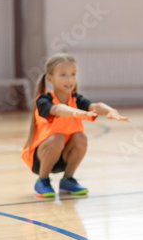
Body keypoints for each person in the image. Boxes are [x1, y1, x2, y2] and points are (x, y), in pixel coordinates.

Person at [22, 53, 130, 198]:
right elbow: (57, 109)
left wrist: (111, 111)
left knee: (80, 137)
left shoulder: (76, 99)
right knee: (57, 138)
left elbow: (95, 106)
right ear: (49, 79)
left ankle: (67, 180)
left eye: (73, 74)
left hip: (64, 156)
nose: (70, 79)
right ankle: (42, 181)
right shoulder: (43, 100)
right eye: (63, 75)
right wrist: (75, 112)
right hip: (41, 157)